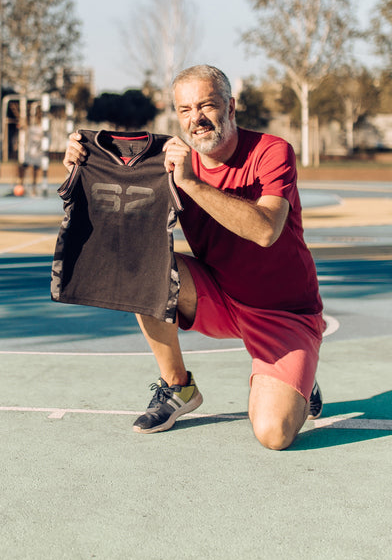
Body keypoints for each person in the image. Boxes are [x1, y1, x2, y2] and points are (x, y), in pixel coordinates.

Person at [62, 64, 323, 450]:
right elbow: (117, 221)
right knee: (142, 263)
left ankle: (301, 374)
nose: (195, 119)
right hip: (217, 297)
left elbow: (266, 230)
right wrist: (79, 168)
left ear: (231, 107)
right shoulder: (169, 157)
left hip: (284, 313)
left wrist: (190, 183)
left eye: (206, 105)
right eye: (184, 110)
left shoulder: (271, 151)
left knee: (273, 435)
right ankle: (177, 387)